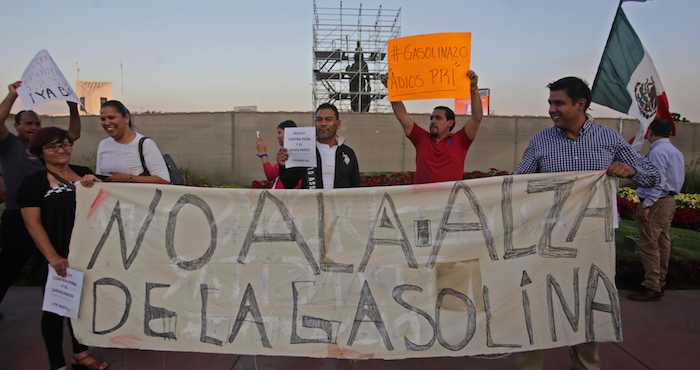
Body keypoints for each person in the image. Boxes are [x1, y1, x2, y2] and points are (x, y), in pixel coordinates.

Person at [514, 76, 660, 370]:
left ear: (580, 104)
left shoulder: (609, 139)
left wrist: (628, 169)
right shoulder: (541, 141)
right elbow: (518, 184)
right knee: (539, 303)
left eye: (559, 103)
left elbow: (651, 174)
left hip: (594, 241)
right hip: (549, 240)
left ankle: (585, 365)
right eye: (550, 103)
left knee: (589, 305)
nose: (552, 110)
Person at [19, 127, 108, 370]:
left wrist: (97, 187)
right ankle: (57, 363)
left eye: (65, 144)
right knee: (55, 312)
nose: (61, 149)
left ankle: (80, 353)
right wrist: (53, 257)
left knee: (80, 307)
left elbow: (105, 208)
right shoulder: (33, 183)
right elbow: (33, 224)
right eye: (53, 146)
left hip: (86, 255)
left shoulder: (84, 173)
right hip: (56, 258)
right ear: (40, 152)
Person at [0, 81, 81, 312]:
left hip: (47, 217)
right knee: (9, 266)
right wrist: (12, 96)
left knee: (52, 266)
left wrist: (73, 106)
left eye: (37, 123)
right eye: (28, 123)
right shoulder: (8, 145)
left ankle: (55, 311)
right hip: (17, 215)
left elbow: (73, 133)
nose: (33, 127)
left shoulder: (47, 146)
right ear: (16, 125)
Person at [385, 70, 483, 184]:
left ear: (450, 123)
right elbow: (402, 116)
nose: (433, 121)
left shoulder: (461, 140)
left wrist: (474, 89)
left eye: (438, 118)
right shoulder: (421, 138)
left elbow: (477, 118)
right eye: (432, 118)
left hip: (450, 201)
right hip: (422, 200)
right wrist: (391, 89)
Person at [628, 119, 685, 301]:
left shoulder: (657, 152)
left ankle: (651, 285)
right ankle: (660, 280)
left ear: (651, 132)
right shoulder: (675, 152)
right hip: (668, 200)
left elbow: (656, 180)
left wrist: (647, 204)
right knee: (662, 242)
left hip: (656, 201)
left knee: (649, 244)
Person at [279, 103, 360, 189]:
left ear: (338, 124)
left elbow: (356, 186)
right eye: (319, 119)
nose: (323, 123)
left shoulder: (348, 153)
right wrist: (283, 165)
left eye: (328, 119)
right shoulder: (305, 149)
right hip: (311, 202)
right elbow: (289, 183)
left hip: (341, 202)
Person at [96, 100, 170, 184]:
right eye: (103, 119)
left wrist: (129, 178)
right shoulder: (103, 145)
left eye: (111, 118)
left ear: (126, 118)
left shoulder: (145, 144)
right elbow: (100, 179)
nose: (106, 122)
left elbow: (164, 180)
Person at [255, 120, 301, 189]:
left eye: (280, 133)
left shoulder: (291, 154)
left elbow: (270, 175)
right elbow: (273, 174)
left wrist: (263, 153)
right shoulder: (286, 152)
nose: (278, 136)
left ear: (289, 134)